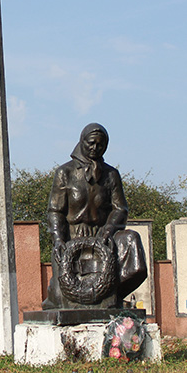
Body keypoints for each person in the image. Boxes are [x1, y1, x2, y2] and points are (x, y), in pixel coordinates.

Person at [42, 123, 148, 309]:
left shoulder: (111, 174)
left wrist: (108, 230)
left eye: (100, 145)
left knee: (132, 240)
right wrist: (58, 239)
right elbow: (55, 211)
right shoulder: (64, 173)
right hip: (72, 237)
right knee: (63, 299)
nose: (95, 148)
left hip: (103, 235)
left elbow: (120, 208)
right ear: (82, 141)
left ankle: (113, 297)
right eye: (91, 143)